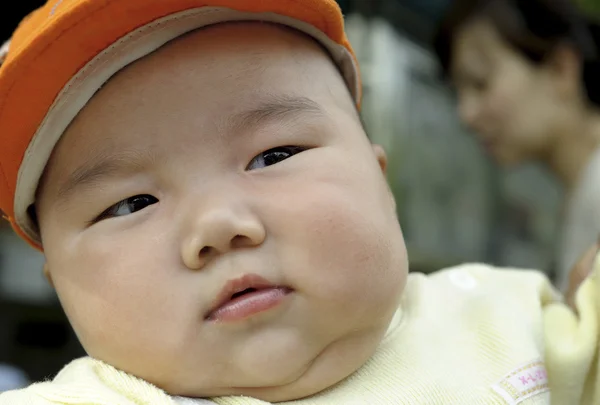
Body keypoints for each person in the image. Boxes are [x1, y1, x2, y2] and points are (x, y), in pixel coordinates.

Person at [0, 0, 598, 404]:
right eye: (131, 204)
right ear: (60, 283)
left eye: (274, 156)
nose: (217, 225)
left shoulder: (507, 316)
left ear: (381, 183)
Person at [433, 0, 600, 292]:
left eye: (480, 83)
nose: (466, 114)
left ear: (561, 69)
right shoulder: (577, 197)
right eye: (458, 94)